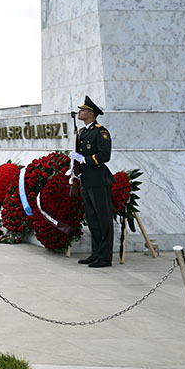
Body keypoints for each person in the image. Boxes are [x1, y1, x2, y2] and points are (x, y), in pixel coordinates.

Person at [73, 96, 114, 268]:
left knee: (103, 219)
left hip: (98, 180)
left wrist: (84, 160)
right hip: (86, 180)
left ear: (91, 113)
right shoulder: (82, 133)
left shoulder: (100, 132)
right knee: (92, 219)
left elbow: (105, 156)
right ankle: (96, 253)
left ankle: (105, 257)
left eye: (82, 110)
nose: (79, 112)